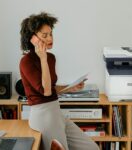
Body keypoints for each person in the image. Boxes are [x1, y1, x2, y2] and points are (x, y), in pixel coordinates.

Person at [19, 12, 99, 150]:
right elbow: (46, 91)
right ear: (33, 38)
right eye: (44, 35)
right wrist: (42, 58)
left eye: (51, 33)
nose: (50, 38)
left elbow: (51, 87)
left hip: (56, 113)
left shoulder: (51, 58)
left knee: (91, 147)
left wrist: (69, 88)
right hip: (43, 116)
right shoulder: (26, 62)